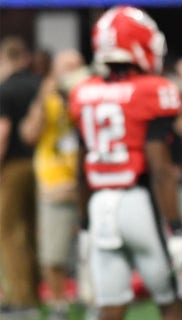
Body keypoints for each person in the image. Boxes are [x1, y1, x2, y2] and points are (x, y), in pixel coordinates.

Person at [68, 6, 182, 320]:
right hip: (140, 203)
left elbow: (80, 169)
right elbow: (160, 168)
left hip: (99, 205)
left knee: (110, 304)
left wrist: (82, 224)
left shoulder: (83, 92)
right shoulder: (153, 90)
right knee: (172, 298)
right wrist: (175, 228)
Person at [20, 49, 90, 319]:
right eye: (66, 66)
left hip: (87, 183)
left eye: (76, 66)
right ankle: (59, 304)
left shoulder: (91, 96)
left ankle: (93, 299)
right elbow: (29, 134)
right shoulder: (46, 99)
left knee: (93, 248)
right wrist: (43, 96)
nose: (71, 72)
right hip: (54, 183)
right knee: (54, 252)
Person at [0, 35, 41, 319]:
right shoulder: (39, 85)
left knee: (8, 231)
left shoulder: (5, 89)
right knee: (33, 230)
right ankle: (38, 291)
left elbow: (2, 132)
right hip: (41, 165)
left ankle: (19, 296)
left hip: (12, 165)